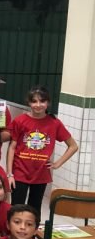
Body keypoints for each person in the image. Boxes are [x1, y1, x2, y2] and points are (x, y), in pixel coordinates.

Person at [7, 85, 78, 214]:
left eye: (42, 101)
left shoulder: (54, 123)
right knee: (16, 207)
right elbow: (11, 148)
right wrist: (10, 174)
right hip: (20, 171)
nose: (38, 105)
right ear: (29, 103)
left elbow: (73, 146)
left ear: (48, 103)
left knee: (35, 208)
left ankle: (33, 234)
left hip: (41, 173)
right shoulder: (20, 121)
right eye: (34, 101)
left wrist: (57, 164)